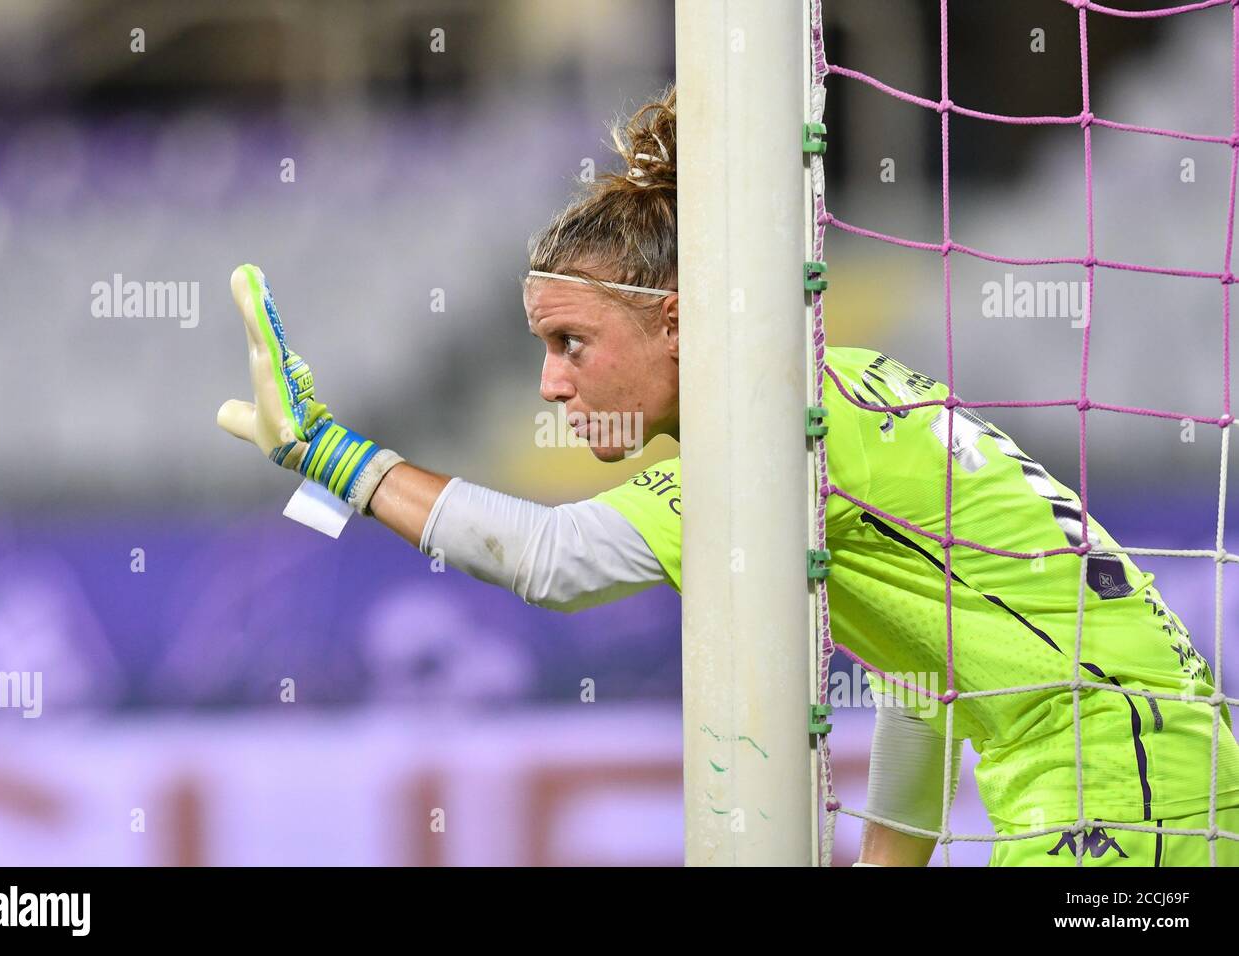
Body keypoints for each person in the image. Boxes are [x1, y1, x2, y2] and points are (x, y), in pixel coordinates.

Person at [218, 83, 1239, 866]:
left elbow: (551, 558)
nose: (550, 384)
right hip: (1166, 782)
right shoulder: (846, 392)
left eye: (573, 341)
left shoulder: (774, 438)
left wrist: (323, 454)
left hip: (1115, 800)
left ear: (676, 320)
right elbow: (921, 683)